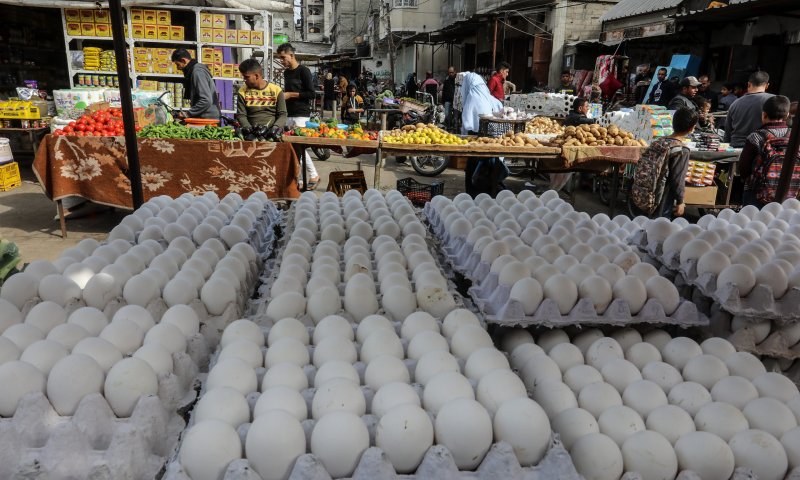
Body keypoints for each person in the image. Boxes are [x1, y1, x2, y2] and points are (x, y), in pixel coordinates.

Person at [276, 43, 320, 189]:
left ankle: (313, 175)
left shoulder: (304, 71)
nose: (282, 61)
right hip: (289, 113)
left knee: (299, 147)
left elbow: (311, 94)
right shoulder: (287, 73)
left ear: (291, 55)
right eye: (280, 58)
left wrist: (291, 94)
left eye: (283, 57)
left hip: (302, 114)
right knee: (293, 148)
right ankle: (298, 180)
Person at [644, 107, 698, 219]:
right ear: (692, 128)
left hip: (647, 192)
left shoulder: (659, 141)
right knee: (660, 226)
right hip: (663, 196)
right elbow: (678, 179)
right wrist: (680, 201)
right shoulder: (681, 149)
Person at [739, 95, 791, 207]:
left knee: (752, 222)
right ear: (787, 115)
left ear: (764, 114)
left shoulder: (756, 137)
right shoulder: (794, 137)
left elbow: (743, 168)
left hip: (756, 193)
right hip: (788, 193)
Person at [461, 72, 504, 197]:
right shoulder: (485, 94)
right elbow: (499, 106)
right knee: (486, 166)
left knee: (472, 166)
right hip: (490, 137)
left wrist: (464, 135)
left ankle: (472, 194)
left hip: (474, 137)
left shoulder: (472, 96)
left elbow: (467, 122)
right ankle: (487, 194)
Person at [725, 71, 774, 148]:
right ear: (767, 85)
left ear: (748, 84)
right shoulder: (773, 101)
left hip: (735, 148)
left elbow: (728, 131)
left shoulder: (735, 103)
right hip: (760, 149)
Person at [235, 59, 287, 131]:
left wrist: (276, 128)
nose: (244, 80)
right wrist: (248, 128)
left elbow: (282, 114)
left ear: (256, 76)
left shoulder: (276, 90)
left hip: (272, 132)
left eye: (246, 77)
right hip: (251, 133)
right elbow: (241, 115)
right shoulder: (242, 91)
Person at [171, 48, 219, 119]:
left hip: (208, 118)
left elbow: (206, 100)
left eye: (178, 64)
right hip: (204, 116)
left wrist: (188, 114)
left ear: (183, 60)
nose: (178, 68)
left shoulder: (197, 72)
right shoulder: (194, 71)